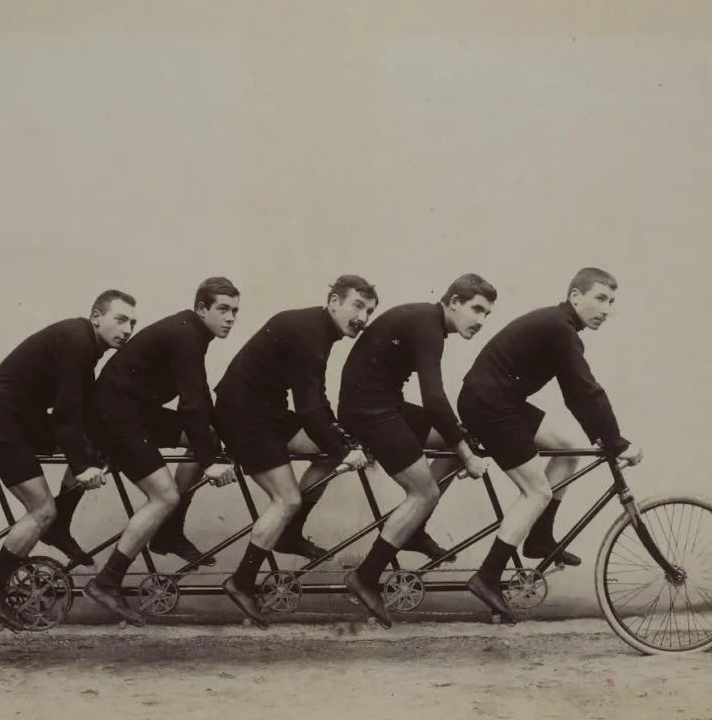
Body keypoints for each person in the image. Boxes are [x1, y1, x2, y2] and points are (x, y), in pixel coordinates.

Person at [456, 267, 644, 623]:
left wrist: (603, 436)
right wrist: (617, 443)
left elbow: (576, 393)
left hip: (498, 400)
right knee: (536, 492)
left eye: (611, 302)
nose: (607, 310)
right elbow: (585, 390)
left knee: (569, 448)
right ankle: (488, 576)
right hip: (489, 404)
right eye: (600, 299)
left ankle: (540, 538)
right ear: (575, 296)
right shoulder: (561, 328)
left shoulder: (560, 327)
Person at [0, 291, 137, 630]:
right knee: (42, 509)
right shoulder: (77, 342)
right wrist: (83, 467)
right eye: (120, 320)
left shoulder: (84, 345)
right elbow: (66, 414)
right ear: (96, 317)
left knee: (97, 445)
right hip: (3, 424)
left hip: (20, 420)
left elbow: (83, 410)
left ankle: (59, 525)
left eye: (133, 323)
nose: (128, 329)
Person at [212, 275, 376, 628]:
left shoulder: (318, 329)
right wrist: (342, 449)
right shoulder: (310, 331)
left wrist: (340, 438)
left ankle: (289, 532)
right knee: (286, 500)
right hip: (243, 417)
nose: (363, 318)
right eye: (357, 306)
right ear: (334, 301)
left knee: (332, 451)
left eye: (369, 311)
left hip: (265, 412)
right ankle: (241, 581)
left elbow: (316, 395)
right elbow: (307, 406)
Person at [79, 277, 241, 625]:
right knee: (164, 496)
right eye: (223, 309)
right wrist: (210, 463)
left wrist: (224, 440)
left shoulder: (192, 333)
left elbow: (200, 396)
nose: (230, 318)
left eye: (235, 312)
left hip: (135, 412)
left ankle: (168, 531)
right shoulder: (186, 335)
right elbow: (191, 403)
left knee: (207, 437)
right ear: (202, 309)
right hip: (113, 417)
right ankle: (106, 582)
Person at [336, 274, 495, 628]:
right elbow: (434, 399)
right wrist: (469, 458)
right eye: (477, 309)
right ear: (454, 302)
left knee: (459, 442)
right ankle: (365, 576)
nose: (482, 321)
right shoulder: (428, 325)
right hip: (368, 411)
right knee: (425, 491)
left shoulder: (427, 322)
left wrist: (463, 448)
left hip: (383, 405)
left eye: (487, 314)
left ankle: (414, 528)